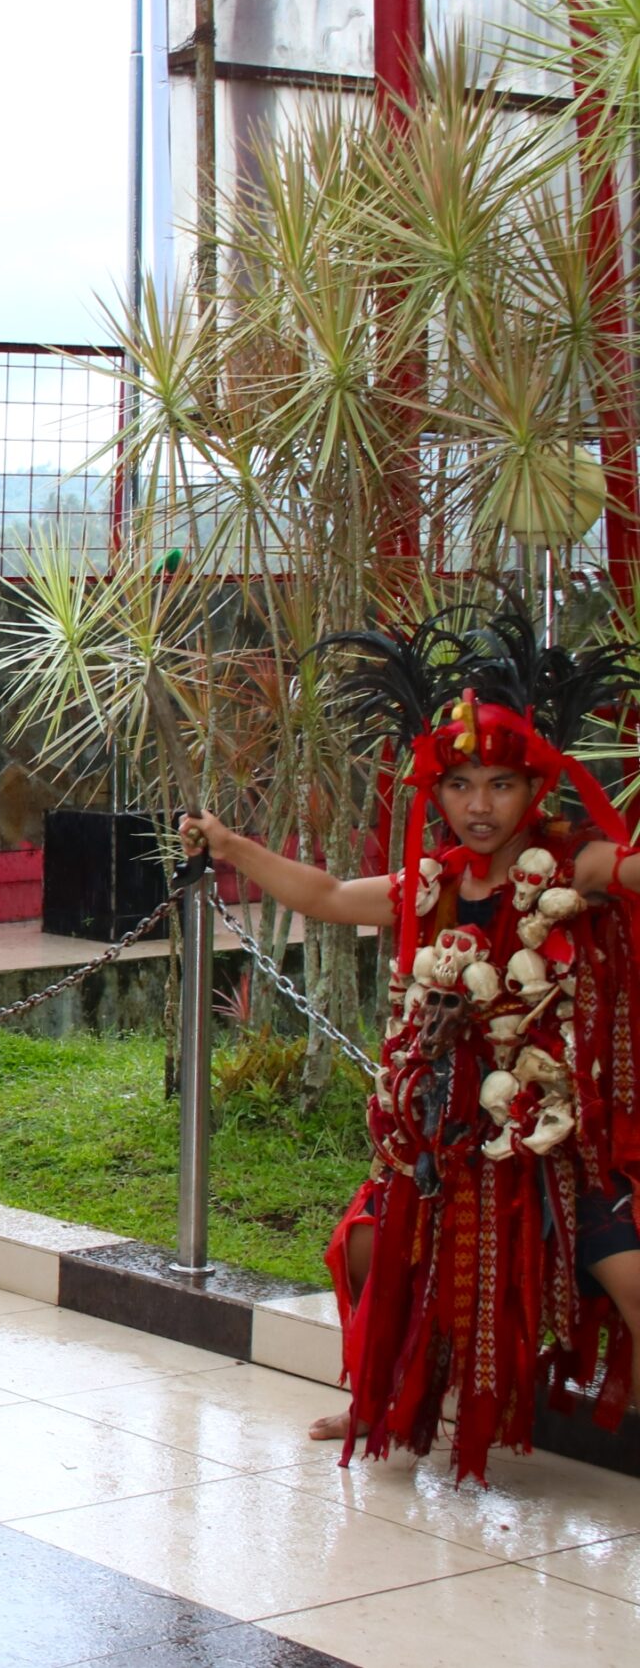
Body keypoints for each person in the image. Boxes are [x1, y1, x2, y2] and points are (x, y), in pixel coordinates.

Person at [177, 611, 640, 1481]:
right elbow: (323, 895)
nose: (479, 805)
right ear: (438, 789)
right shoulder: (429, 885)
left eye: (500, 784)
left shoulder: (569, 866)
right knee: (365, 1245)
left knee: (627, 1271)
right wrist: (233, 846)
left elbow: (630, 871)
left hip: (555, 1143)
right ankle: (377, 1395)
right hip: (445, 1136)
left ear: (533, 786)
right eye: (460, 784)